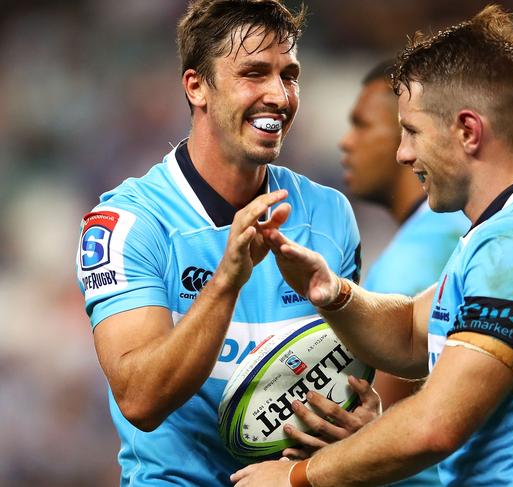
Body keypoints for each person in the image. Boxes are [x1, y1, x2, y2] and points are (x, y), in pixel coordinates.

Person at [232, 5, 513, 487]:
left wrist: (296, 477)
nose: (403, 153)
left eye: (412, 131)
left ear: (468, 132)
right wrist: (331, 291)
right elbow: (415, 333)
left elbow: (436, 425)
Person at [75, 1, 373, 485]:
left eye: (289, 75)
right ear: (197, 87)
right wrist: (228, 280)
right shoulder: (125, 222)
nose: (279, 95)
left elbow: (349, 366)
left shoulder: (329, 214)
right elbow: (140, 400)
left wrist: (365, 419)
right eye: (254, 73)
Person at [340, 60, 469, 486]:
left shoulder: (425, 252)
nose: (346, 142)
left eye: (361, 125)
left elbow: (377, 410)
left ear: (408, 134)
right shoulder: (442, 231)